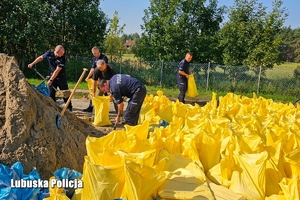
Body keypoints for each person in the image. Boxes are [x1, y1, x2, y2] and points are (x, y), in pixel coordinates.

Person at [28, 45, 73, 111]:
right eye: (61, 53)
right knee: (51, 93)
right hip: (52, 76)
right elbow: (41, 57)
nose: (62, 55)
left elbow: (57, 71)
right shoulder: (49, 53)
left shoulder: (62, 58)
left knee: (65, 93)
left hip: (61, 77)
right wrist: (32, 63)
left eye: (63, 53)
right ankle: (53, 108)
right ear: (57, 52)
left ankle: (69, 107)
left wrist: (51, 80)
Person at [83, 46, 109, 112]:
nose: (94, 54)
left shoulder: (104, 58)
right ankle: (90, 107)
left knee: (104, 93)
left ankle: (106, 107)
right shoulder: (95, 59)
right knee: (93, 92)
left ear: (98, 51)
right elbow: (93, 68)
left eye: (95, 53)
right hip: (97, 77)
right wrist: (88, 77)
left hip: (103, 78)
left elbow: (102, 68)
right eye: (93, 53)